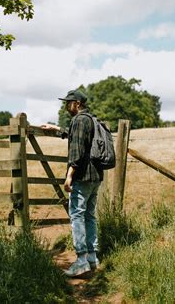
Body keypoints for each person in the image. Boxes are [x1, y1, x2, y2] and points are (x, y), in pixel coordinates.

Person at [42, 89, 103, 277]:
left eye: (68, 102)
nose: (66, 105)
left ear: (77, 103)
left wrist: (69, 176)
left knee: (76, 216)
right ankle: (92, 258)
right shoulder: (91, 119)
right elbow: (80, 139)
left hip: (82, 177)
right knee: (90, 216)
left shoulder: (78, 120)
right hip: (95, 176)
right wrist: (57, 129)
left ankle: (81, 260)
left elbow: (77, 152)